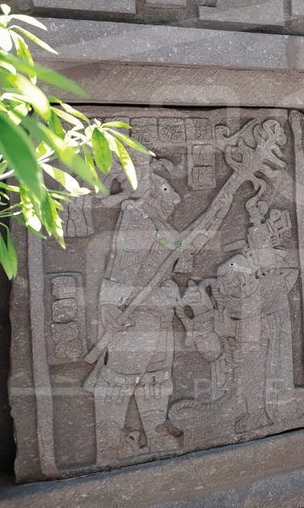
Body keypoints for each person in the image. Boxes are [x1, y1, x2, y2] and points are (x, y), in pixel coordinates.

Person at [84, 165, 190, 465]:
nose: (175, 198)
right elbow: (123, 264)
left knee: (155, 378)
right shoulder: (139, 219)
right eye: (167, 191)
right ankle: (109, 446)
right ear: (152, 195)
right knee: (120, 380)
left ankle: (156, 436)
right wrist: (110, 304)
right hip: (136, 316)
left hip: (159, 314)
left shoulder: (159, 224)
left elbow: (176, 255)